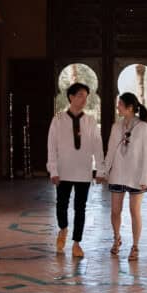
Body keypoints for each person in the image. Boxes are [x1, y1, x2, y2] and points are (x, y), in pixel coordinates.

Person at [46, 82, 104, 258]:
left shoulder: (90, 121)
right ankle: (63, 229)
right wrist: (53, 170)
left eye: (86, 97)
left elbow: (97, 146)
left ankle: (77, 243)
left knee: (81, 207)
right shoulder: (58, 120)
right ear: (71, 97)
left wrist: (100, 170)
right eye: (80, 96)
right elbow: (51, 146)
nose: (84, 100)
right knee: (61, 205)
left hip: (83, 172)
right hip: (63, 171)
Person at [100, 92, 147, 260]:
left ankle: (135, 246)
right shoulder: (116, 126)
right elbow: (110, 151)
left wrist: (146, 178)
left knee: (134, 211)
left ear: (130, 107)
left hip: (136, 176)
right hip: (117, 174)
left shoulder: (143, 127)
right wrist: (103, 171)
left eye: (120, 104)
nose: (118, 107)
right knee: (115, 211)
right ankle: (117, 239)